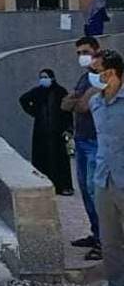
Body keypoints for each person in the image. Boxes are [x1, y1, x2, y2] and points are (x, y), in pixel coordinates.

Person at [87, 49, 124, 286]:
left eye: (97, 71)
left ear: (112, 73)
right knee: (109, 240)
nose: (93, 76)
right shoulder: (95, 103)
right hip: (104, 179)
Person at [61, 37, 102, 260]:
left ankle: (105, 241)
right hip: (81, 138)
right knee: (85, 190)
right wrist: (78, 100)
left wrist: (78, 100)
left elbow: (83, 105)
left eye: (85, 52)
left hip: (97, 141)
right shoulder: (84, 77)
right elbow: (66, 104)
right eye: (78, 53)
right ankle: (96, 234)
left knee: (96, 192)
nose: (82, 57)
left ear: (97, 51)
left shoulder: (104, 78)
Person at [20, 69, 74, 196]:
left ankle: (62, 187)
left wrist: (68, 128)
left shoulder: (60, 91)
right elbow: (23, 99)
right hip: (41, 132)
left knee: (60, 159)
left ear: (52, 78)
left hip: (58, 132)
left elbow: (67, 111)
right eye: (41, 77)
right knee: (42, 159)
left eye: (46, 77)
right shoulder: (37, 92)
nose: (43, 79)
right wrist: (34, 112)